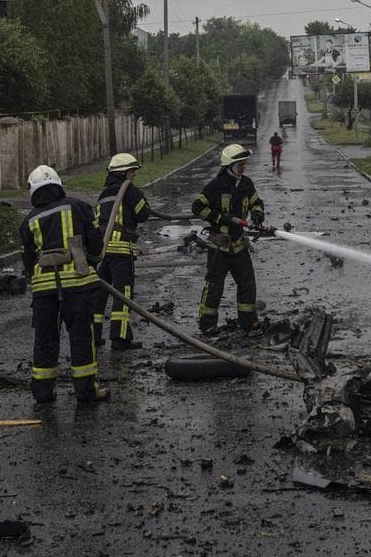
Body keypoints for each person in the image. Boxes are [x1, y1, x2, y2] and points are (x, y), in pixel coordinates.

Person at [20, 164, 108, 404]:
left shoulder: (29, 220)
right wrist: (91, 262)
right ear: (58, 184)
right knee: (81, 337)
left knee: (45, 339)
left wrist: (36, 279)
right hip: (77, 287)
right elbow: (96, 246)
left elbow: (28, 260)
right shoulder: (78, 207)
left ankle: (43, 392)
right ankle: (86, 392)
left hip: (43, 291)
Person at [94, 152, 173, 351]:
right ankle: (120, 339)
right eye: (132, 171)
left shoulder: (103, 194)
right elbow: (143, 214)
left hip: (102, 252)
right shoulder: (131, 191)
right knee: (123, 295)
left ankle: (93, 337)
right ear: (123, 173)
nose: (134, 175)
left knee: (99, 294)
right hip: (121, 251)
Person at [192, 143, 267, 335]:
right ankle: (207, 325)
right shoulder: (216, 186)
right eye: (240, 164)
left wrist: (258, 214)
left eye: (244, 164)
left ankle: (249, 322)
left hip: (239, 244)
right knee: (215, 285)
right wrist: (221, 218)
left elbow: (256, 202)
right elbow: (198, 207)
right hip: (219, 245)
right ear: (230, 166)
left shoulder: (246, 184)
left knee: (247, 282)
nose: (243, 167)